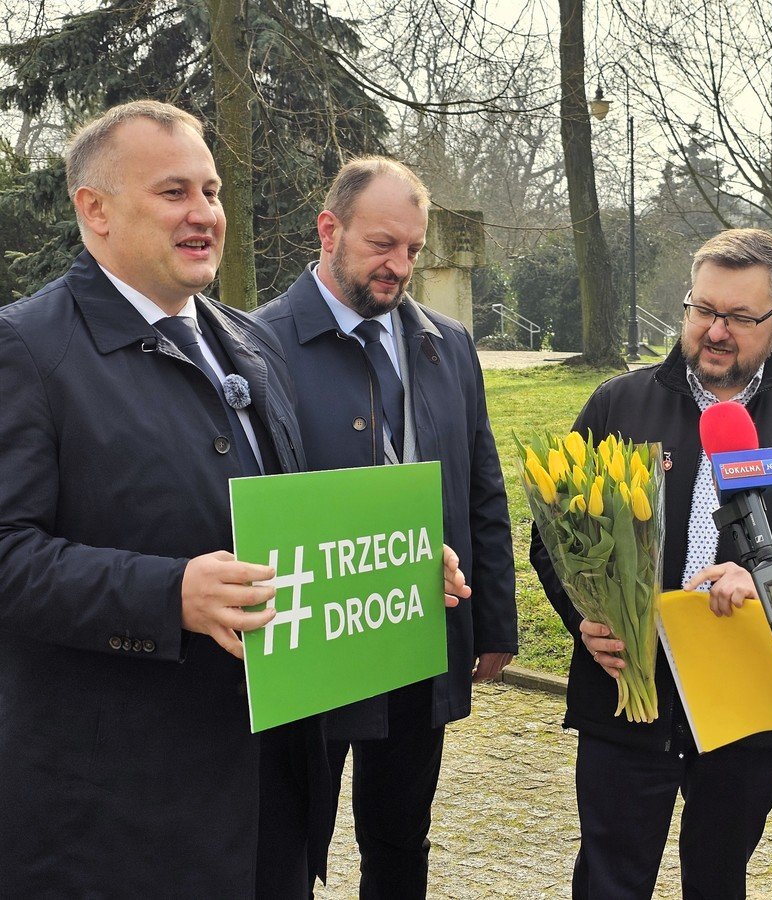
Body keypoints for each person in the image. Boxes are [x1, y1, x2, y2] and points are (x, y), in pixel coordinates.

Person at [0, 99, 322, 895]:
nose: (205, 214)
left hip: (268, 789)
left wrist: (393, 556)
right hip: (118, 813)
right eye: (175, 192)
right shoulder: (26, 350)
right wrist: (168, 593)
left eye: (211, 192)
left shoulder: (251, 341)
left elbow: (287, 519)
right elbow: (8, 554)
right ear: (95, 210)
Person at [531, 228, 772, 899]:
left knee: (718, 880)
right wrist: (587, 617)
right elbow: (553, 539)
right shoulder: (618, 403)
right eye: (702, 310)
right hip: (628, 693)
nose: (715, 331)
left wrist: (771, 585)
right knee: (609, 878)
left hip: (747, 696)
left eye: (739, 317)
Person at [255, 156, 517, 898]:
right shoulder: (257, 343)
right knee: (290, 838)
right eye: (381, 245)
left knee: (401, 834)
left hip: (418, 627)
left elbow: (482, 485)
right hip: (312, 641)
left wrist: (493, 619)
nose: (398, 266)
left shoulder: (449, 342)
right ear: (329, 229)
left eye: (412, 248)